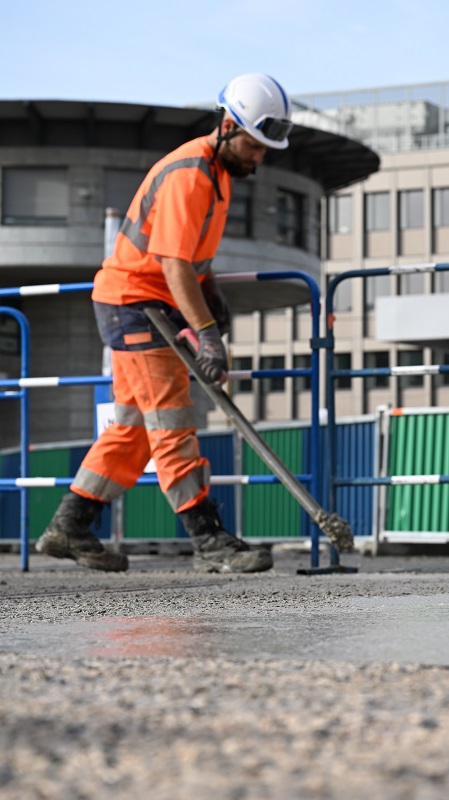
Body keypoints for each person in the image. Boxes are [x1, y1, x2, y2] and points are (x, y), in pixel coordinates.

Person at [36, 73, 294, 574]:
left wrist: (210, 288)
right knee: (172, 421)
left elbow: (191, 259)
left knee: (132, 427)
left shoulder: (217, 176)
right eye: (254, 145)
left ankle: (70, 525)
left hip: (136, 301)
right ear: (227, 126)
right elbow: (172, 264)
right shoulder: (190, 174)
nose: (259, 157)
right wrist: (208, 335)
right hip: (137, 304)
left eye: (266, 148)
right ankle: (209, 539)